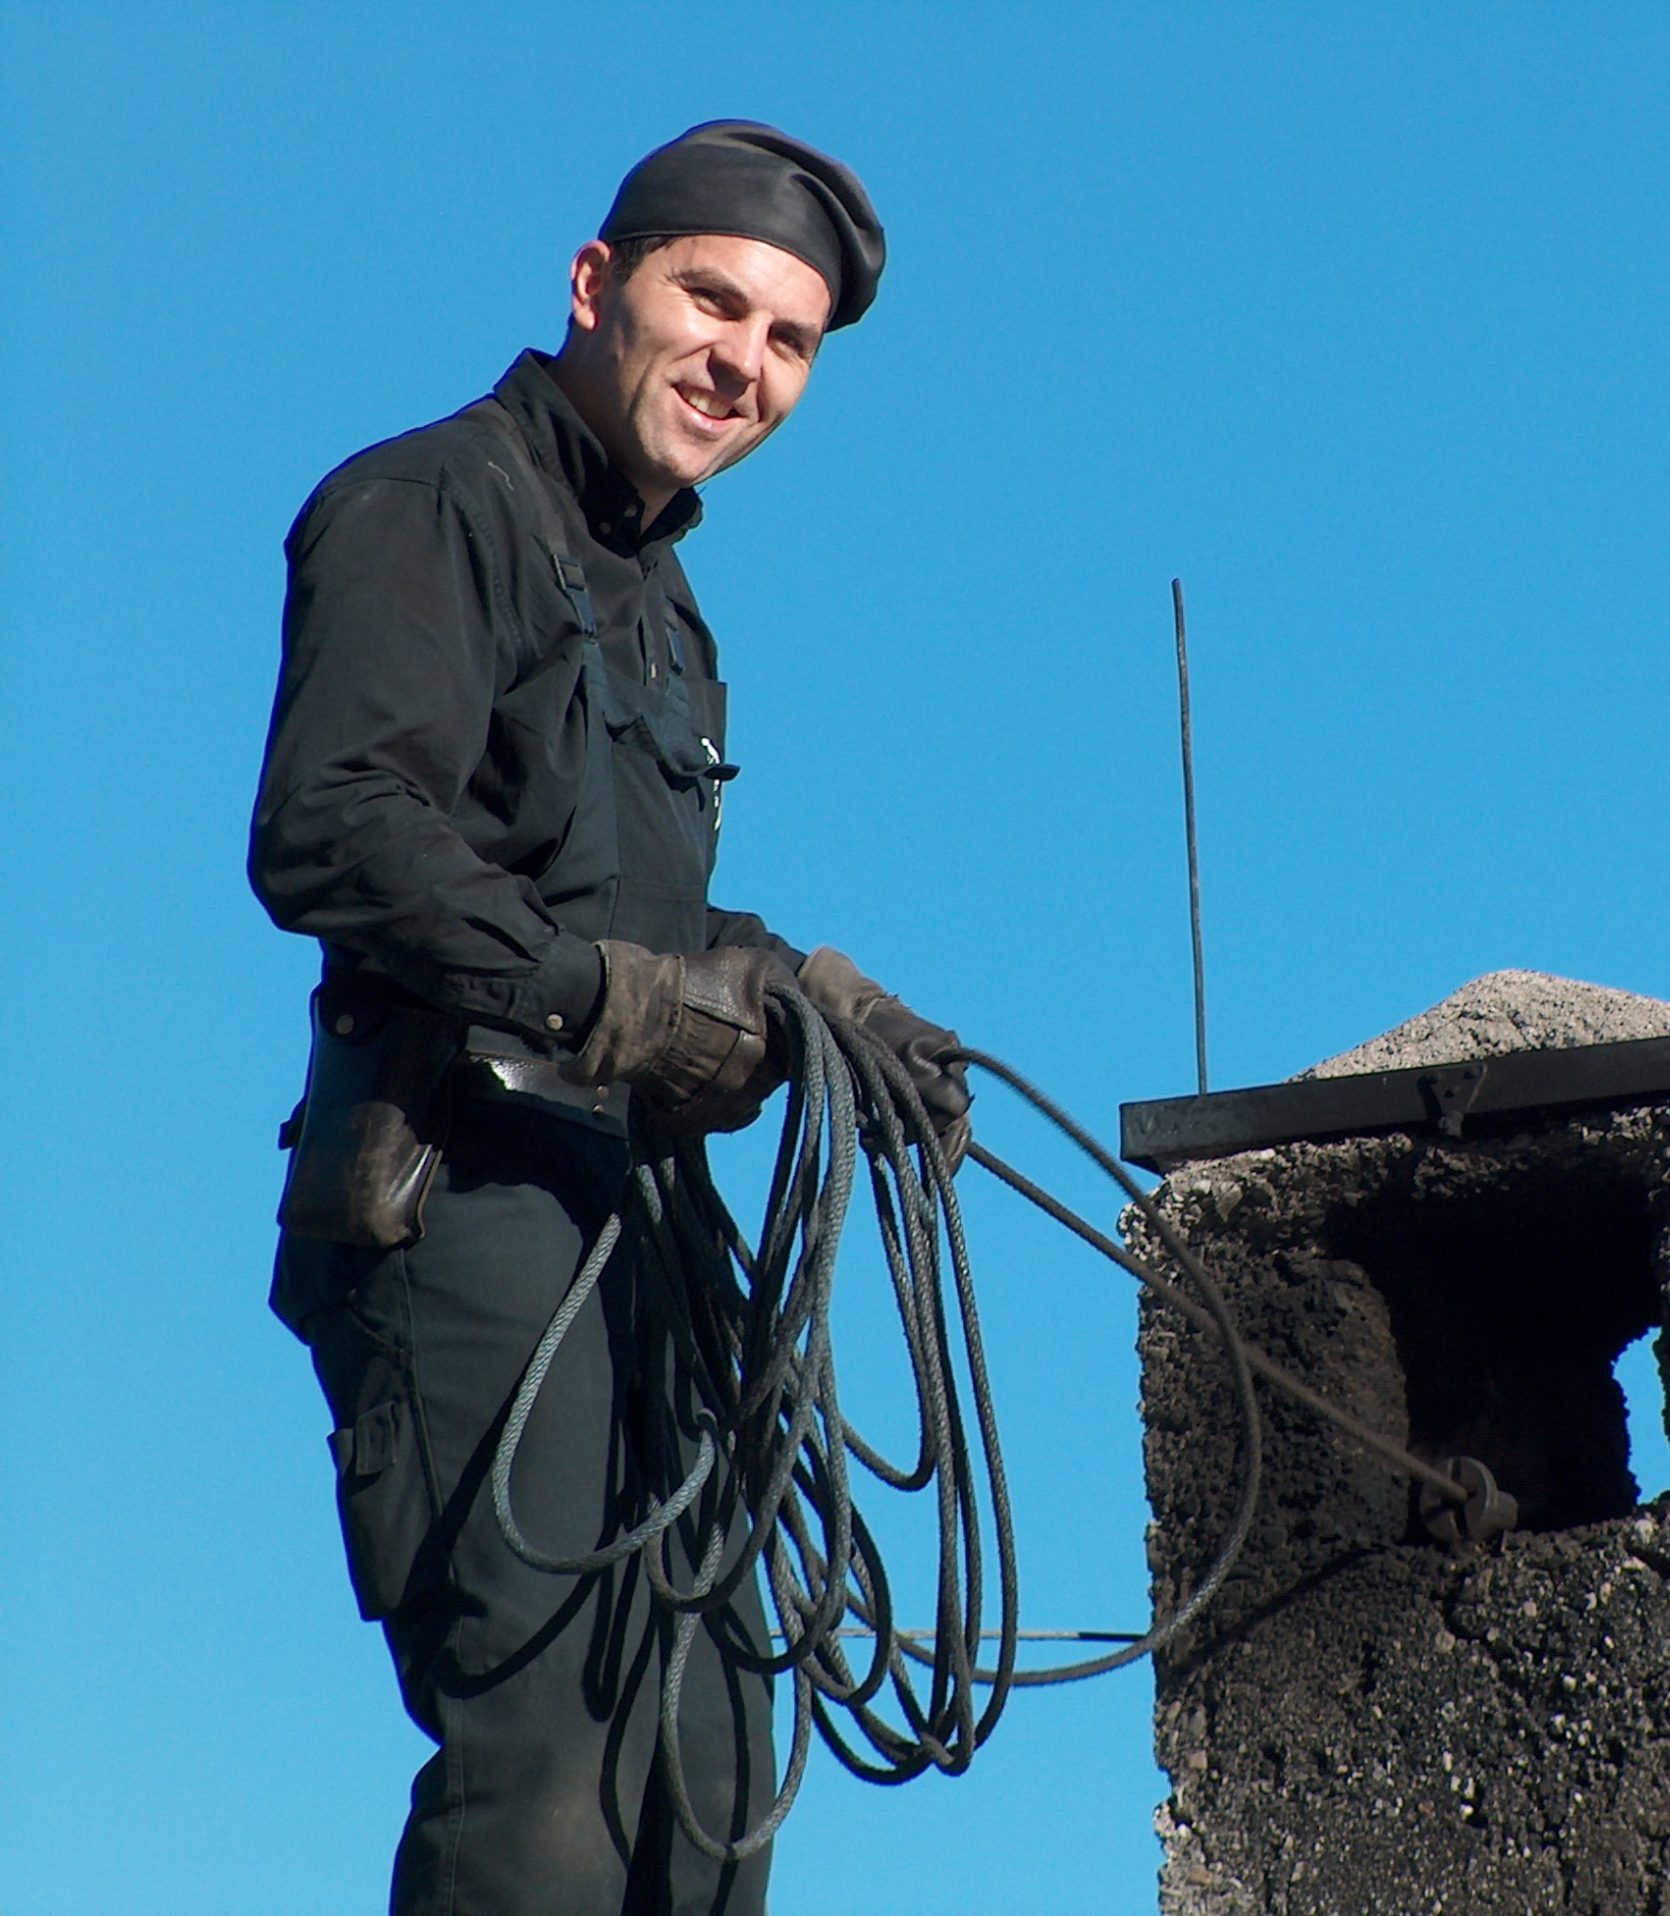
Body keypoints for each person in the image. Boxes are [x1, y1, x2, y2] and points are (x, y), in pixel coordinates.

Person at [249, 122, 968, 1916]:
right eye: (711, 300)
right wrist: (620, 1003)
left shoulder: (661, 602)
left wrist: (796, 987)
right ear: (597, 285)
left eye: (790, 341)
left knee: (712, 1763)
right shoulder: (433, 503)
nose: (745, 360)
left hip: (634, 1223)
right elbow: (336, 829)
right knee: (553, 1762)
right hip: (462, 1197)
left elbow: (612, 904)